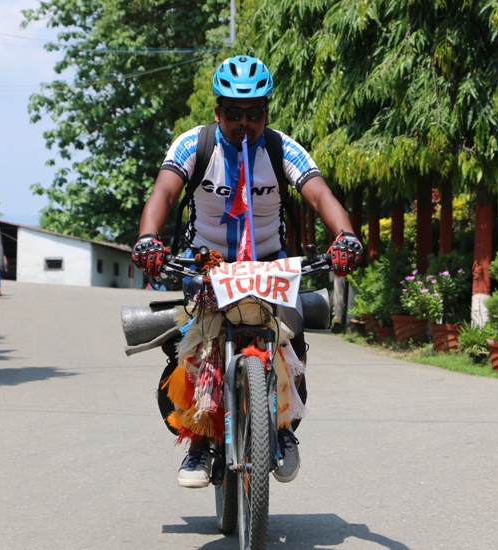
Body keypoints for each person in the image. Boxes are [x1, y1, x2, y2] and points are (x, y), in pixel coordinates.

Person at [132, 55, 363, 489]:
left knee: (288, 338)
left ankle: (283, 428)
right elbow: (163, 191)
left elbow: (319, 194)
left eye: (255, 113)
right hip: (205, 263)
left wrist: (346, 234)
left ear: (266, 114)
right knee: (201, 340)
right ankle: (200, 441)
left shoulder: (282, 149)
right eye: (234, 113)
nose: (244, 123)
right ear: (217, 112)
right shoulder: (194, 145)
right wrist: (148, 238)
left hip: (269, 262)